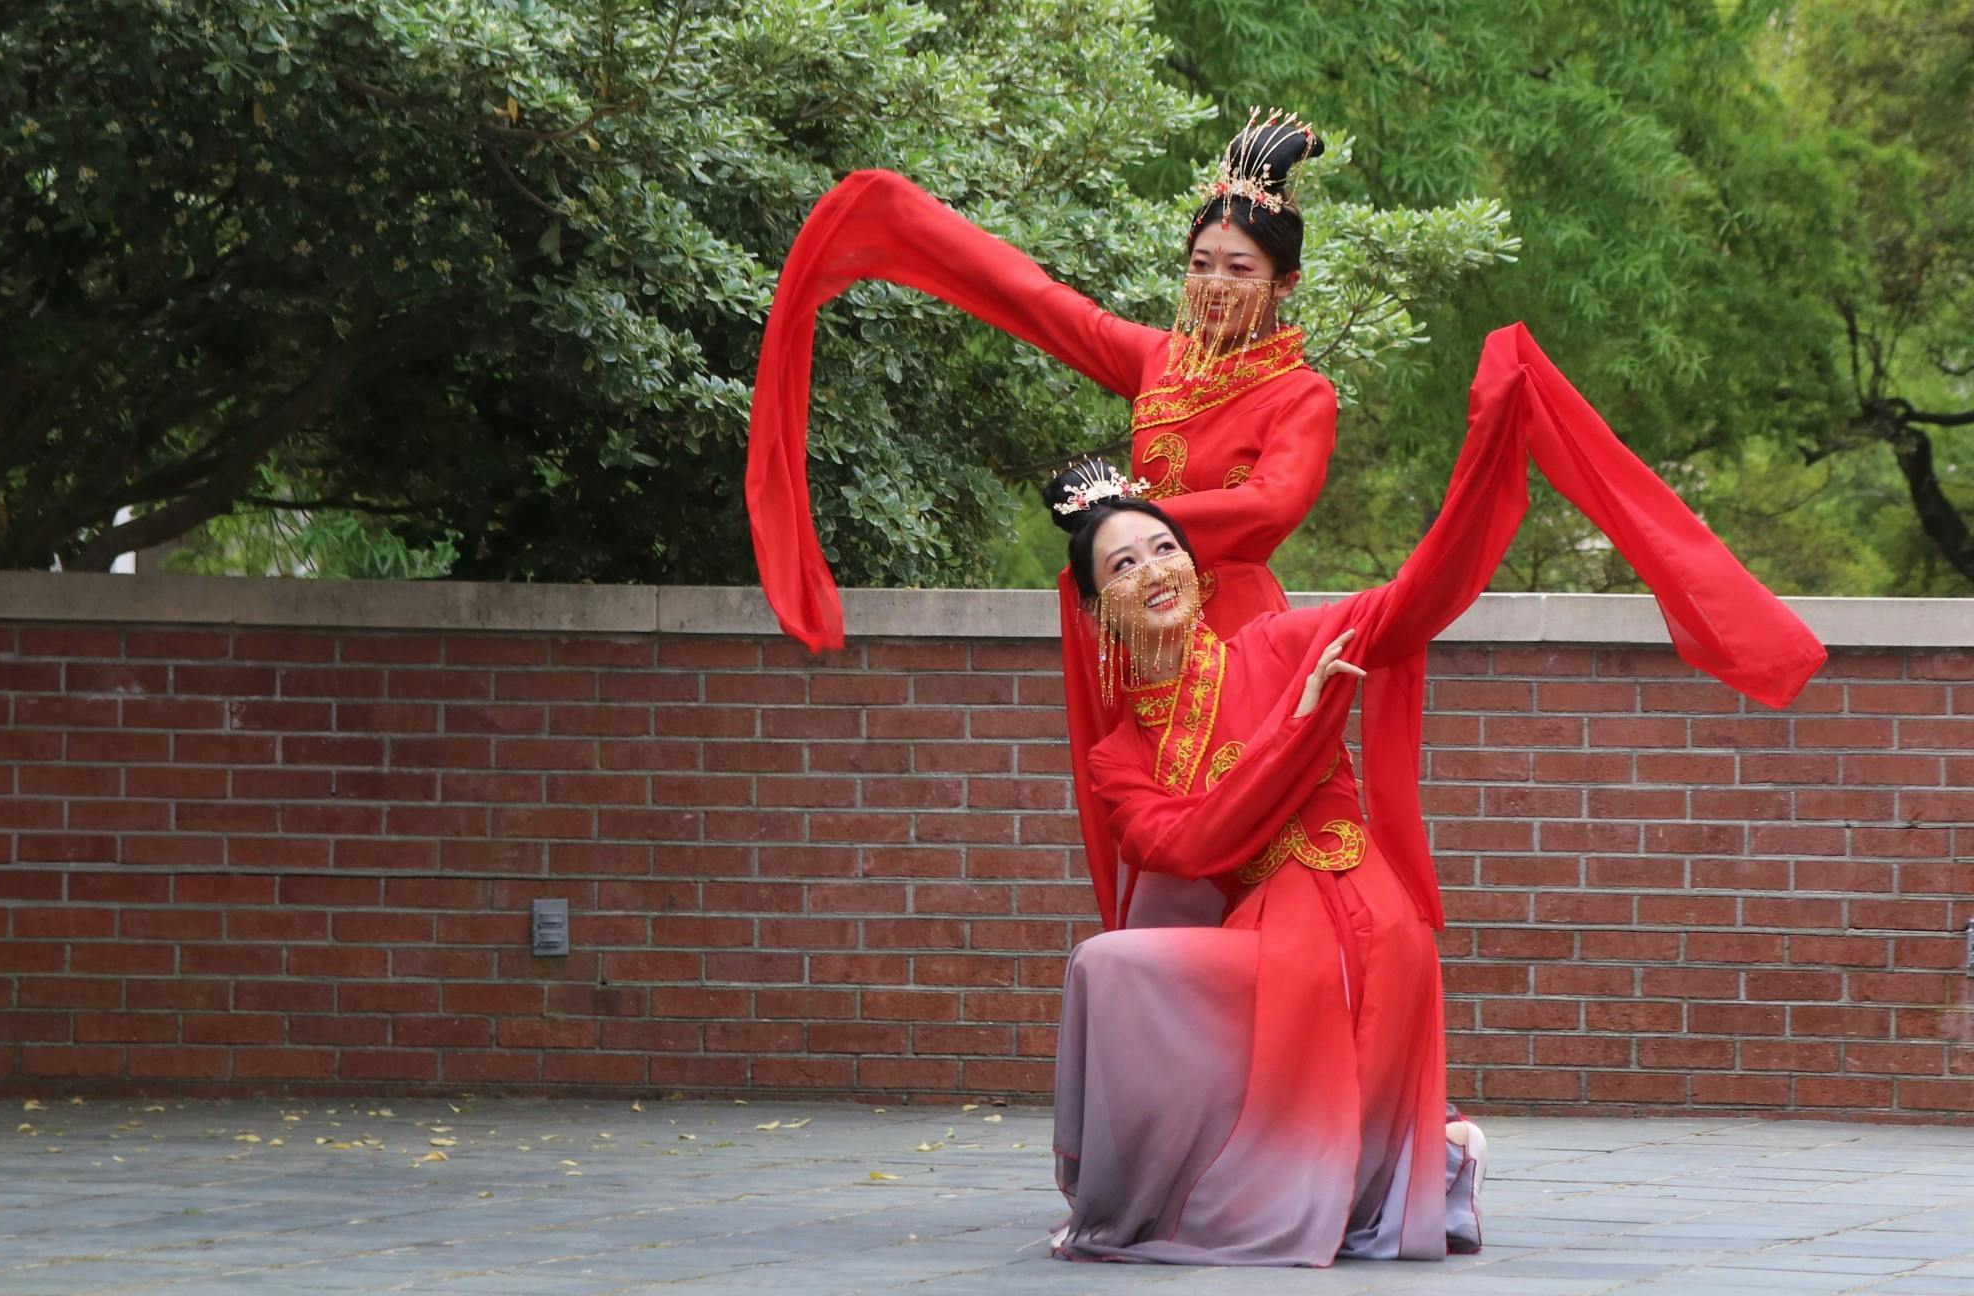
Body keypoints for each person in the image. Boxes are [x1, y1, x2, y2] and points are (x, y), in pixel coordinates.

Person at [1040, 324, 1827, 1265]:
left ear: (1197, 567)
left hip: (1352, 915)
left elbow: (1418, 596)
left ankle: (1398, 1163)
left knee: (1277, 1189)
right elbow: (1189, 848)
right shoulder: (1120, 755)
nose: (1154, 571)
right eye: (1122, 566)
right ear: (1096, 612)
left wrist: (1492, 446)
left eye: (1164, 548)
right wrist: (1303, 731)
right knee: (1108, 966)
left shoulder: (1285, 644)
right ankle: (1150, 1193)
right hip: (1267, 929)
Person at [746, 111, 1342, 926]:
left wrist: (1122, 518)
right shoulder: (1155, 361)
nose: (1213, 283)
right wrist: (902, 228)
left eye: (1239, 268)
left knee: (1261, 851)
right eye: (1200, 263)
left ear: (1283, 283)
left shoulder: (1300, 394)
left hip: (1241, 638)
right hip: (1146, 639)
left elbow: (1270, 506)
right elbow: (1038, 302)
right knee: (1167, 865)